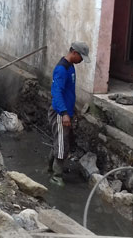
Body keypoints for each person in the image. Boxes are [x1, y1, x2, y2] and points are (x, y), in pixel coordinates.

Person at [48, 41, 90, 185]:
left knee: (59, 140)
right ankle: (56, 175)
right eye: (81, 57)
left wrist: (72, 110)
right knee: (62, 143)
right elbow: (56, 92)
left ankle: (50, 168)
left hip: (66, 110)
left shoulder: (71, 67)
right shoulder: (61, 69)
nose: (81, 61)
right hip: (60, 112)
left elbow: (69, 91)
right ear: (74, 53)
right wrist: (65, 113)